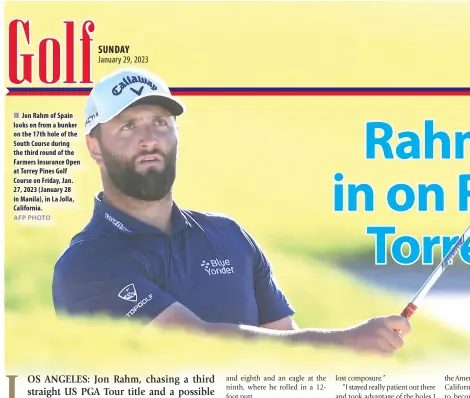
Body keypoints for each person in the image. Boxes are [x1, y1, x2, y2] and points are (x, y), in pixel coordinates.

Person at [52, 67, 411, 355]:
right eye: (128, 125)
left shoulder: (228, 237)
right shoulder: (87, 263)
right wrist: (346, 341)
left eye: (160, 122)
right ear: (94, 147)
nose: (149, 138)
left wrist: (355, 351)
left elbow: (288, 352)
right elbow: (194, 344)